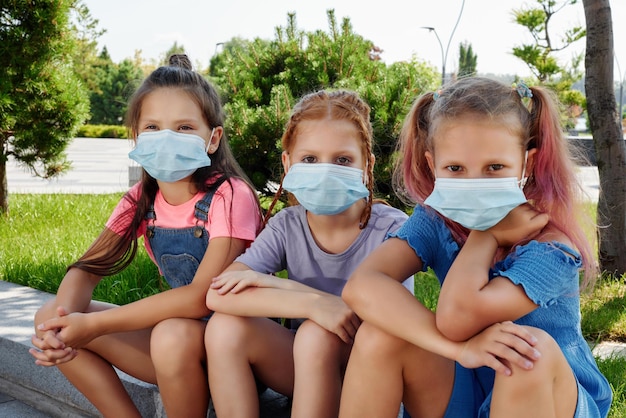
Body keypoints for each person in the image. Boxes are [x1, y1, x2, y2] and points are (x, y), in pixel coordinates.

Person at [339, 77, 612, 418]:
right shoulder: (436, 220)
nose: (474, 184)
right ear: (431, 164)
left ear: (527, 164)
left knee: (528, 352)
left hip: (544, 395)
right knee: (379, 334)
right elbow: (362, 285)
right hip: (466, 378)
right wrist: (460, 350)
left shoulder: (552, 247)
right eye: (455, 169)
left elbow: (458, 317)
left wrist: (486, 236)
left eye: (494, 168)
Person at [30, 54, 262, 418]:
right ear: (137, 137)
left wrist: (93, 324)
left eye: (184, 128)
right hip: (177, 346)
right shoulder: (139, 199)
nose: (167, 138)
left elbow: (200, 299)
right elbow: (87, 270)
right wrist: (61, 324)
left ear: (213, 138)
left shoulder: (230, 196)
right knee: (49, 315)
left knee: (172, 333)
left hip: (237, 350)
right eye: (153, 127)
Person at [204, 89, 414, 418]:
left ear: (366, 166)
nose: (325, 171)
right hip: (307, 366)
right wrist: (315, 304)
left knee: (316, 334)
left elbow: (395, 324)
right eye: (310, 159)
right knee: (224, 328)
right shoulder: (287, 225)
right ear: (288, 163)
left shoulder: (392, 229)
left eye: (343, 160)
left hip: (373, 376)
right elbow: (219, 294)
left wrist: (277, 288)